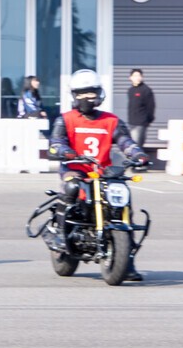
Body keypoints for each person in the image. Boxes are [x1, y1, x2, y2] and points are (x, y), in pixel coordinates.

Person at [47, 69, 151, 281]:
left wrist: (138, 155)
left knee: (123, 203)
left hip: (104, 175)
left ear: (99, 94)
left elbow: (126, 142)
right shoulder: (65, 120)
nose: (87, 98)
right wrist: (65, 151)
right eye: (82, 93)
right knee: (72, 187)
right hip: (75, 171)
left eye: (91, 93)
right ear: (74, 95)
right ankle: (60, 235)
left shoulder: (111, 121)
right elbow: (55, 142)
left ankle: (126, 262)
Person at [127, 69, 156, 149]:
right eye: (135, 76)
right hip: (131, 122)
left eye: (139, 76)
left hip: (140, 123)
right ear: (130, 78)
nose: (137, 78)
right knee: (131, 146)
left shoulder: (146, 90)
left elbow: (151, 106)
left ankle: (138, 161)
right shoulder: (131, 90)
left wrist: (148, 120)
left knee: (136, 147)